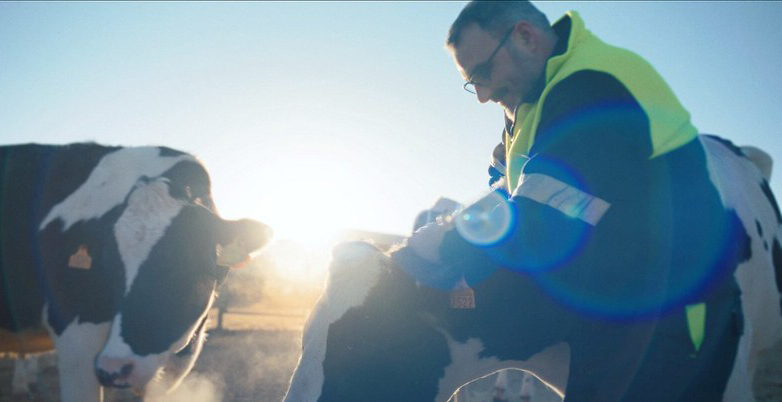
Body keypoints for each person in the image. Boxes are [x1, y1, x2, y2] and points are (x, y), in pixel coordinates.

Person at [394, 1, 747, 400]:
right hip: (618, 311)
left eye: (483, 73)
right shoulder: (530, 101)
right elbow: (503, 193)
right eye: (471, 81)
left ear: (525, 37)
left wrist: (439, 244)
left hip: (674, 317)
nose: (481, 94)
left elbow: (538, 221)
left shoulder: (594, 83)